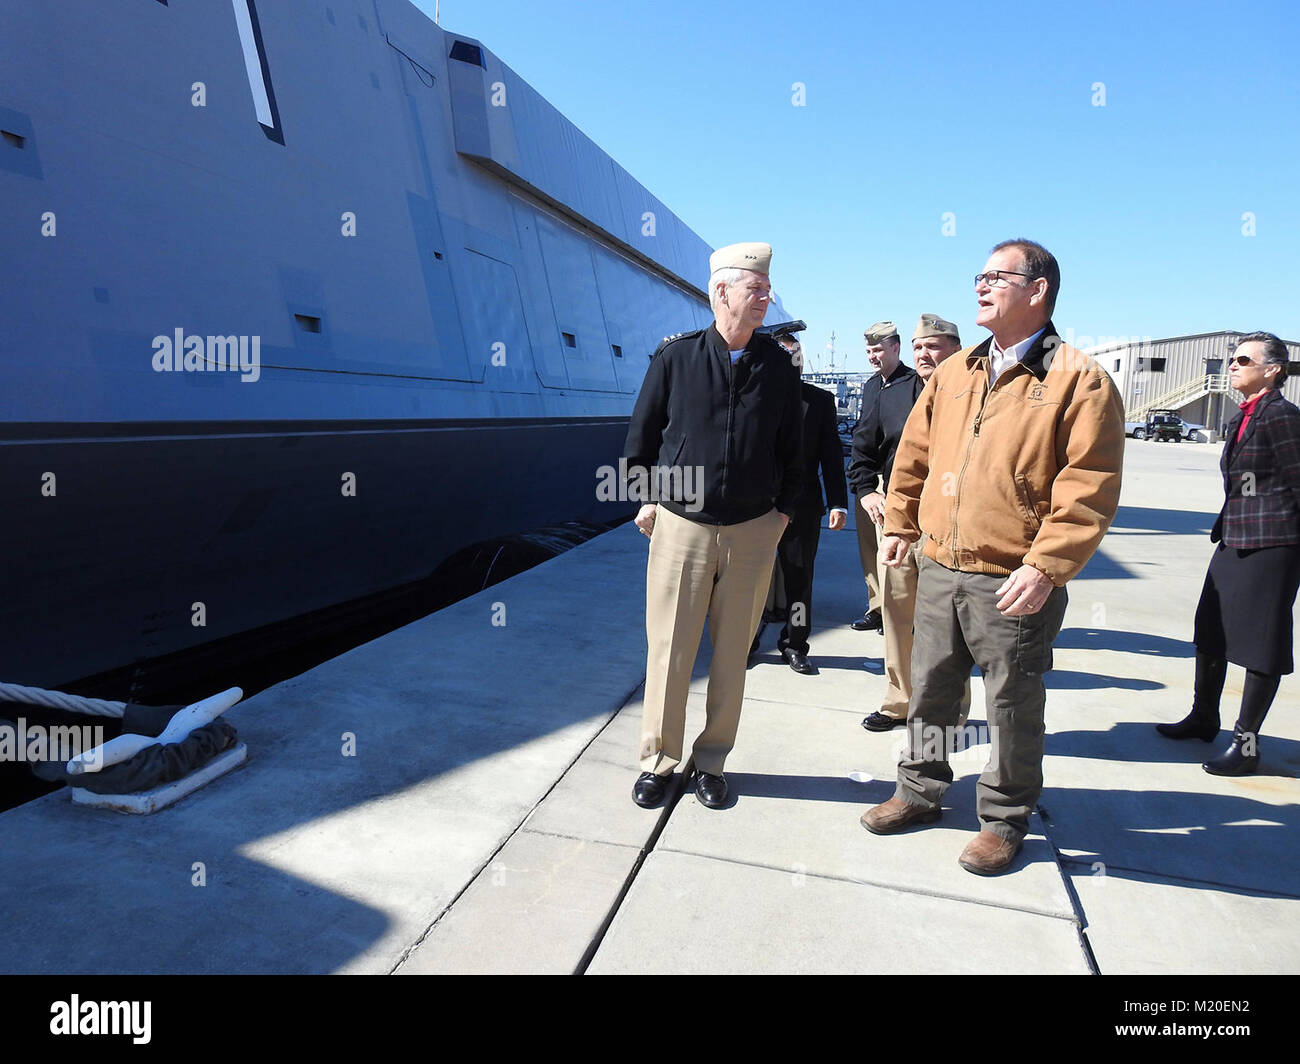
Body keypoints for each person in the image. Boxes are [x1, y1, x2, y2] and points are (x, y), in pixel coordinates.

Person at [861, 239, 1125, 876]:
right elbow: (914, 456)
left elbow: (1089, 483)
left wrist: (1047, 566)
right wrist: (900, 521)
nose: (980, 286)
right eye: (978, 276)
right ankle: (920, 790)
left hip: (1013, 578)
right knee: (930, 689)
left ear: (1037, 291)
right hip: (939, 567)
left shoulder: (1078, 380)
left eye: (996, 277)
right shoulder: (955, 374)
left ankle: (1004, 819)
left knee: (1010, 703)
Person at [623, 242, 801, 810]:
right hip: (681, 526)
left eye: (767, 288)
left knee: (732, 654)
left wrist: (784, 514)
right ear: (721, 292)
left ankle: (712, 761)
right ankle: (659, 760)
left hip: (753, 529)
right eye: (756, 288)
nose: (765, 297)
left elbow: (793, 450)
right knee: (670, 649)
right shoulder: (675, 358)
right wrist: (644, 499)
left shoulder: (777, 366)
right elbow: (641, 438)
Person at [1156, 332, 1300, 775]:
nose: (1231, 366)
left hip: (1273, 543)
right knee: (1211, 631)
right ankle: (1204, 718)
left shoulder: (1282, 417)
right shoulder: (1246, 414)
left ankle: (1247, 743)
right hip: (1235, 538)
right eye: (1231, 359)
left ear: (1272, 369)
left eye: (1242, 359)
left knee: (1261, 645)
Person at [860, 314, 967, 731]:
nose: (925, 354)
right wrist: (867, 488)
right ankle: (899, 700)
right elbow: (865, 445)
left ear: (955, 349)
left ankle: (950, 711)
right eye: (920, 347)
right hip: (899, 519)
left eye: (935, 346)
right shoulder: (891, 391)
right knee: (898, 613)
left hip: (952, 523)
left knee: (947, 624)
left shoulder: (974, 392)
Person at [769, 338, 849, 673]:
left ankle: (795, 642)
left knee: (799, 581)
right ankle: (741, 640)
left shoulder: (818, 402)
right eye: (785, 355)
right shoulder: (752, 397)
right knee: (746, 581)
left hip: (802, 506)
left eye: (797, 355)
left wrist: (838, 502)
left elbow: (831, 456)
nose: (792, 361)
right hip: (755, 505)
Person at [848, 322, 911, 634]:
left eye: (878, 349)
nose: (872, 355)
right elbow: (863, 436)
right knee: (869, 549)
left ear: (896, 348)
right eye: (869, 350)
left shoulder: (914, 384)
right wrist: (862, 485)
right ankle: (877, 606)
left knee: (895, 551)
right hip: (869, 482)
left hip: (897, 483)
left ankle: (898, 612)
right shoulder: (872, 386)